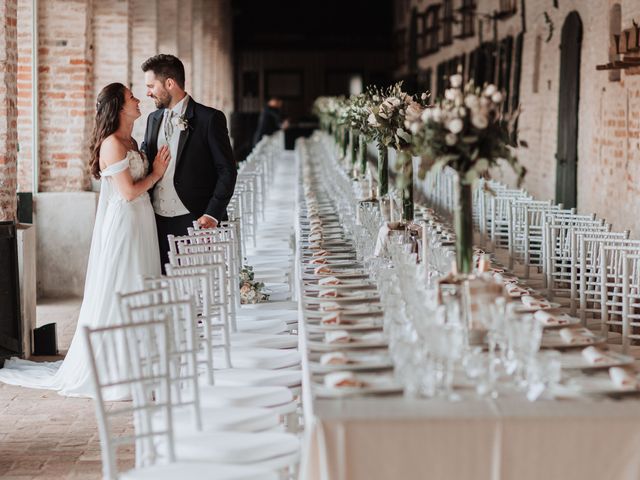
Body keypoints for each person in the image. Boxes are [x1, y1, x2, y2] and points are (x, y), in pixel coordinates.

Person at [0, 83, 170, 399]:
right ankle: (117, 371)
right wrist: (157, 172)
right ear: (119, 107)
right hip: (125, 225)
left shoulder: (131, 140)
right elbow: (129, 192)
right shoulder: (111, 145)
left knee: (141, 286)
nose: (137, 100)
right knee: (124, 288)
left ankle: (141, 364)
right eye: (132, 97)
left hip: (142, 221)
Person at [140, 54, 237, 272]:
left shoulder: (209, 118)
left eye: (150, 86)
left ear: (169, 83)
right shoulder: (152, 119)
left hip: (195, 219)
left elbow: (227, 171)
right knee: (166, 288)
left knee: (199, 289)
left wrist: (212, 213)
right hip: (156, 220)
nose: (147, 92)